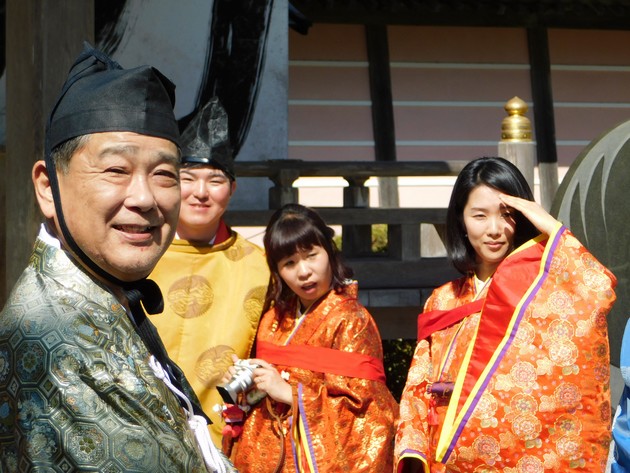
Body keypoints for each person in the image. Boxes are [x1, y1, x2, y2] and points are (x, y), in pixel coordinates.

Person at [0, 43, 234, 472]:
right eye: (115, 171)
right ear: (48, 187)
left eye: (164, 174)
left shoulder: (109, 293)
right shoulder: (54, 340)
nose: (144, 198)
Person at [395, 157, 616, 472]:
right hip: (443, 455)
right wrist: (413, 449)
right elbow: (418, 384)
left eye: (507, 215)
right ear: (460, 220)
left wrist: (550, 226)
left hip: (512, 460)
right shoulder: (442, 298)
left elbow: (597, 289)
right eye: (480, 216)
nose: (495, 230)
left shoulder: (540, 291)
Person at [227, 203, 398, 472]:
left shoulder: (352, 320)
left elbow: (368, 410)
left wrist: (292, 395)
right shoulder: (273, 319)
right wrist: (248, 385)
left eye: (311, 256)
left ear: (329, 251)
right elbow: (262, 394)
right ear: (277, 270)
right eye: (289, 263)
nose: (303, 271)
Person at [149, 97, 269, 448]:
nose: (200, 193)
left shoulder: (260, 267)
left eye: (215, 181)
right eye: (187, 178)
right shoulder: (137, 255)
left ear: (232, 190)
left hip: (226, 439)